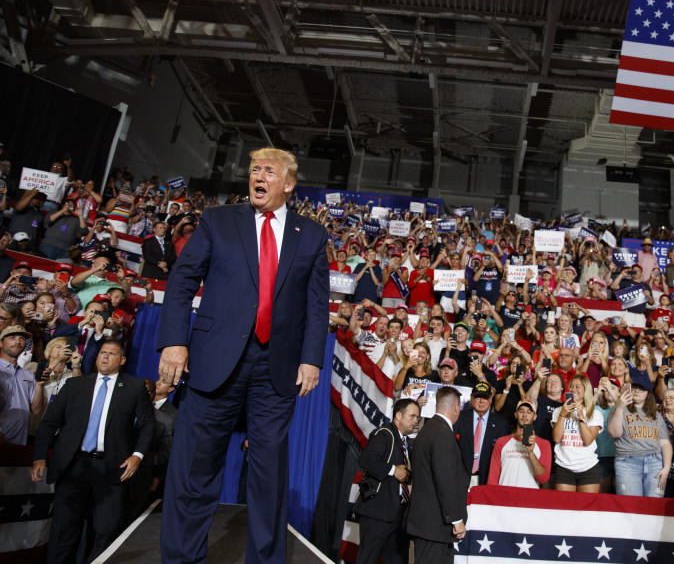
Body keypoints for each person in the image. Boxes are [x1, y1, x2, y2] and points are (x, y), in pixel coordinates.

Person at [156, 148, 329, 563]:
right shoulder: (218, 221)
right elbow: (181, 281)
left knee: (268, 480)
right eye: (254, 169)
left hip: (277, 370)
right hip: (215, 362)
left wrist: (312, 358)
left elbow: (317, 304)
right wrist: (174, 341)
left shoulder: (312, 234)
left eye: (269, 171)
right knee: (195, 471)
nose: (258, 176)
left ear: (288, 184)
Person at [31, 340, 154, 562]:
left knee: (105, 530)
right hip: (73, 467)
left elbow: (147, 425)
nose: (105, 357)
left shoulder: (134, 387)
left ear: (122, 360)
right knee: (63, 531)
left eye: (112, 354)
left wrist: (137, 455)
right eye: (102, 353)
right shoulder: (75, 385)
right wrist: (39, 457)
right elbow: (49, 423)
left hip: (112, 469)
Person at [406, 386, 469, 564]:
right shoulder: (442, 434)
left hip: (428, 525)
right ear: (456, 407)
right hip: (435, 526)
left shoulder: (428, 430)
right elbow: (445, 481)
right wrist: (456, 519)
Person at [353, 398, 420, 564]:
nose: (416, 421)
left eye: (417, 417)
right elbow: (367, 459)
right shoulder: (385, 433)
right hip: (377, 513)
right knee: (367, 559)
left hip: (398, 515)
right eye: (412, 416)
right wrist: (393, 470)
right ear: (398, 416)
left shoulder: (407, 442)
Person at [608, 369, 672, 497]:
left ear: (647, 393)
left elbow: (665, 443)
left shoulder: (656, 415)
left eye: (641, 389)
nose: (637, 391)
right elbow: (615, 433)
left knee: (653, 508)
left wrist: (666, 468)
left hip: (654, 463)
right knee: (630, 508)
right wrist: (620, 406)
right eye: (634, 388)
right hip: (628, 462)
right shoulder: (618, 409)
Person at [551, 374, 604, 493]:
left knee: (587, 508)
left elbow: (588, 440)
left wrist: (581, 415)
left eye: (577, 387)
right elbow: (556, 438)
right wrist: (563, 414)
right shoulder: (558, 411)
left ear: (586, 390)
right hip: (563, 466)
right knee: (564, 507)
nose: (573, 389)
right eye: (571, 387)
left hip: (588, 467)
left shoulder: (595, 413)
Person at [487, 398, 551, 488]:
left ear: (535, 416)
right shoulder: (501, 442)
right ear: (516, 414)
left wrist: (531, 453)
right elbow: (492, 478)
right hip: (504, 497)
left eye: (529, 412)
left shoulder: (543, 444)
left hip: (529, 498)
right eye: (521, 411)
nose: (524, 415)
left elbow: (543, 479)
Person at [453, 380, 508, 486]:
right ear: (471, 398)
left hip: (488, 480)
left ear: (491, 399)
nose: (481, 401)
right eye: (478, 397)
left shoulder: (501, 424)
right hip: (460, 478)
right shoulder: (458, 418)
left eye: (485, 397)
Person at [0, 325, 41, 444]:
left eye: (22, 338)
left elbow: (36, 410)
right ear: (1, 343)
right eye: (12, 337)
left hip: (20, 441)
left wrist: (40, 384)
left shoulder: (27, 374)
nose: (18, 341)